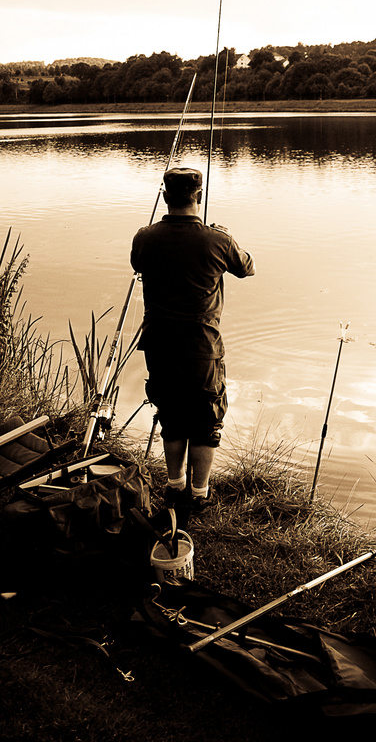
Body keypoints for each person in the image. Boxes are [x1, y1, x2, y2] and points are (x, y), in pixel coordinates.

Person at [130, 166, 255, 514]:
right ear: (197, 196)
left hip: (158, 344)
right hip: (202, 347)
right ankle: (199, 495)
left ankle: (174, 487)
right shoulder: (218, 240)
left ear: (166, 196)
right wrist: (224, 236)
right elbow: (248, 267)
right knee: (206, 417)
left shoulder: (144, 237)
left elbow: (137, 264)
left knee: (170, 413)